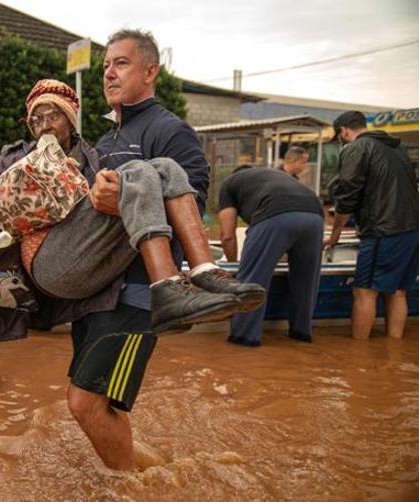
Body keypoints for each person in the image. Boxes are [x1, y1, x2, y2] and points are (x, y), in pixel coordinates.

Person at [59, 29, 264, 471]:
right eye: (107, 65)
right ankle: (153, 470)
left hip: (137, 293)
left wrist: (123, 203)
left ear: (150, 71)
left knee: (84, 402)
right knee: (94, 400)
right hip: (98, 289)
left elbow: (189, 203)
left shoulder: (169, 130)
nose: (109, 73)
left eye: (121, 63)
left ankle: (131, 489)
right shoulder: (108, 138)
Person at [0, 80, 265, 334]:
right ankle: (165, 288)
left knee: (167, 168)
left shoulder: (93, 157)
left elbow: (103, 215)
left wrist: (101, 193)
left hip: (89, 261)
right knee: (138, 172)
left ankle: (203, 270)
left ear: (71, 122)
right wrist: (39, 177)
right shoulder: (18, 155)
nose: (44, 125)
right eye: (36, 120)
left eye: (53, 116)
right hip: (47, 260)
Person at [325, 110, 419, 340]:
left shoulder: (357, 148)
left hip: (383, 229)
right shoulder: (397, 148)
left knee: (364, 291)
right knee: (397, 292)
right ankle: (392, 349)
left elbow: (347, 195)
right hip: (413, 228)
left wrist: (336, 232)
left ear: (344, 131)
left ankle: (359, 356)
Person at [218, 165, 325, 347]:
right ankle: (301, 333)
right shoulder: (274, 177)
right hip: (315, 215)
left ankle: (244, 338)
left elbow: (227, 236)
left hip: (274, 212)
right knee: (306, 280)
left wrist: (233, 266)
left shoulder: (229, 183)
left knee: (251, 281)